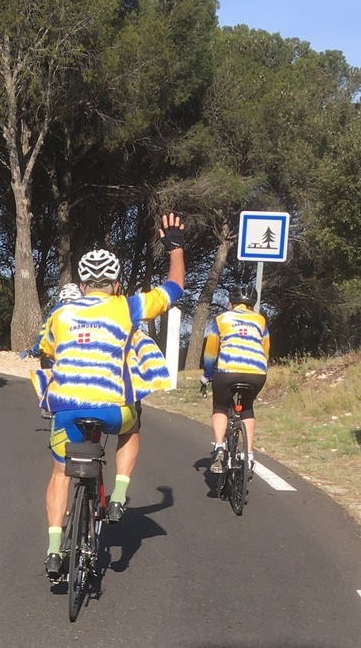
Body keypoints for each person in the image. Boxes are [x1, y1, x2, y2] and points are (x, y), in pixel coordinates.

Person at [36, 213, 186, 579]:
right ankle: (118, 494)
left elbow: (48, 352)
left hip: (67, 409)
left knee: (60, 472)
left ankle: (54, 550)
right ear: (116, 284)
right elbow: (175, 289)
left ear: (83, 284)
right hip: (113, 408)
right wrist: (175, 247)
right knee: (131, 428)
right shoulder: (126, 306)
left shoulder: (61, 314)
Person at [200, 283, 269, 474]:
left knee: (220, 407)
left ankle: (220, 447)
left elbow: (211, 352)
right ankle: (248, 455)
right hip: (257, 372)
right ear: (252, 306)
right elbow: (266, 350)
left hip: (228, 371)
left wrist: (207, 375)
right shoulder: (260, 320)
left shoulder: (222, 319)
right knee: (246, 408)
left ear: (231, 303)